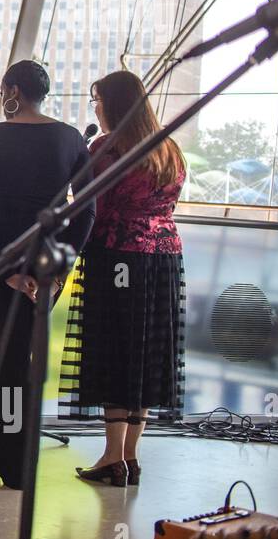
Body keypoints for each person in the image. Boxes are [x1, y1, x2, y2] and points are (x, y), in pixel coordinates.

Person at [0, 60, 94, 490]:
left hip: (4, 257)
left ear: (12, 89)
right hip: (49, 258)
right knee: (17, 353)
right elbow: (87, 211)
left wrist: (3, 269)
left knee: (15, 353)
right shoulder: (72, 138)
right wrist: (59, 270)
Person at [60, 70, 186, 487]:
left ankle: (112, 456)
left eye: (96, 99)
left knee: (116, 350)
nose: (94, 107)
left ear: (112, 103)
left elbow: (90, 205)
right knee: (147, 353)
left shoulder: (106, 149)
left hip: (117, 257)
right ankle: (132, 456)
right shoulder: (169, 149)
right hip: (163, 260)